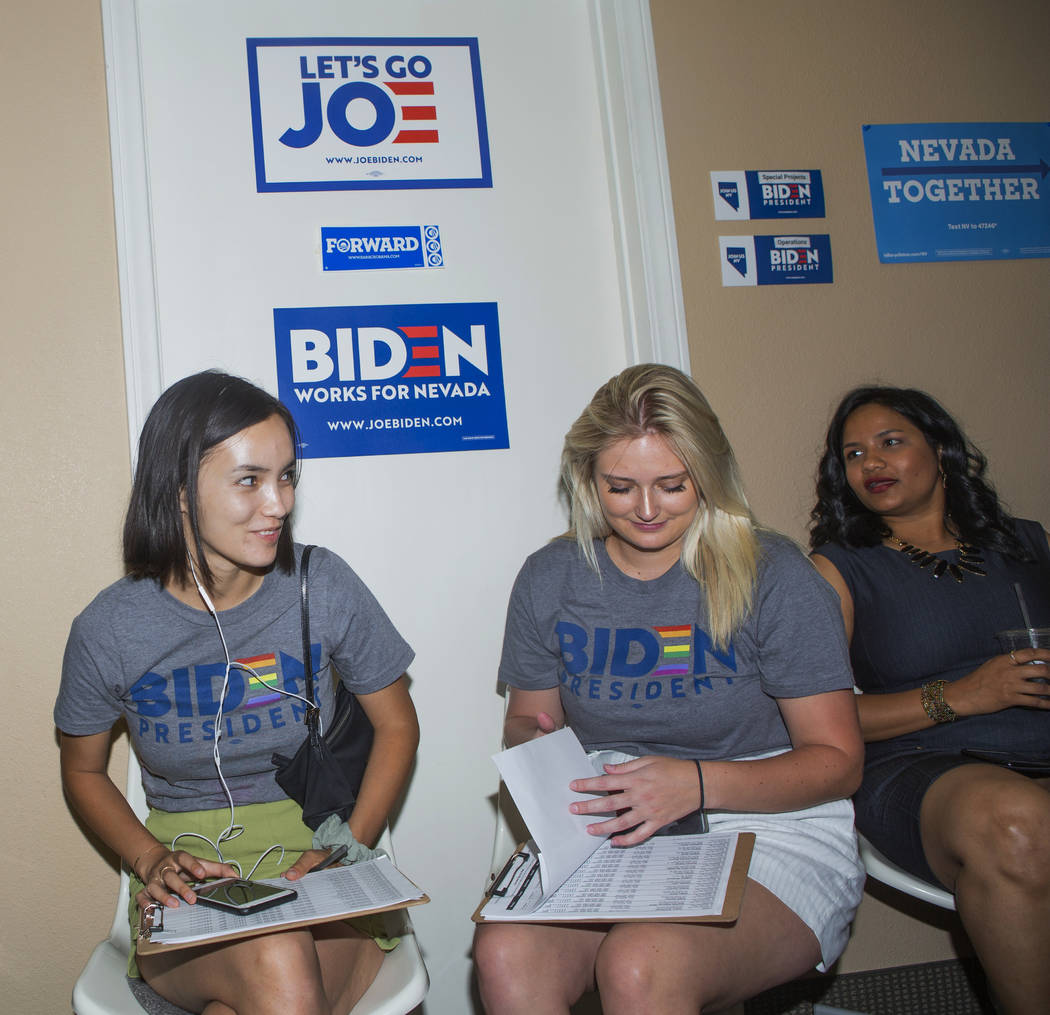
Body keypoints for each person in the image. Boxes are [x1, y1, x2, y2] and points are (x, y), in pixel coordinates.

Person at [473, 364, 865, 1014]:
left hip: (765, 824)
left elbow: (839, 761)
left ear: (708, 474)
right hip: (610, 821)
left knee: (640, 964)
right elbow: (527, 721)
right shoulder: (551, 577)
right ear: (588, 480)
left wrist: (697, 782)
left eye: (672, 485)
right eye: (621, 486)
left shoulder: (775, 575)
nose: (647, 509)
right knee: (504, 950)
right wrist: (538, 748)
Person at [55, 371, 419, 1015]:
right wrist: (150, 857)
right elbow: (83, 770)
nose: (278, 502)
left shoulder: (322, 585)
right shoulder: (109, 628)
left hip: (319, 868)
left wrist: (347, 848)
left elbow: (397, 727)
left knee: (257, 988)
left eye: (287, 477)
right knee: (276, 964)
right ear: (180, 492)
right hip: (189, 888)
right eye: (249, 480)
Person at [809, 384, 1050, 1015]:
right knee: (1014, 818)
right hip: (919, 766)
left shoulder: (1028, 545)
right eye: (854, 454)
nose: (872, 464)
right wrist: (963, 696)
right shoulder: (838, 569)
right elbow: (816, 719)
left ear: (941, 450)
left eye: (891, 442)